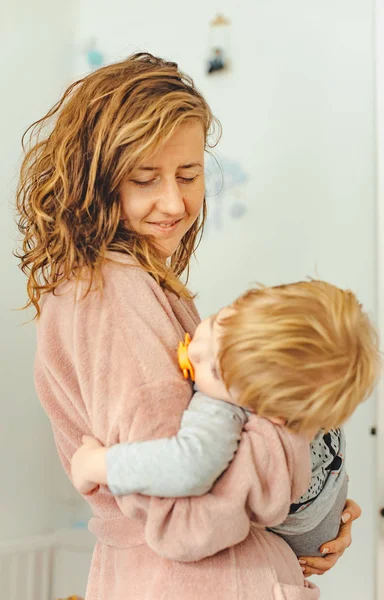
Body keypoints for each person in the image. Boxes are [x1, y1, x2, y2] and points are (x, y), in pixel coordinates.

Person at [15, 52, 361, 599]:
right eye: (145, 178)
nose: (174, 202)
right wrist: (291, 500)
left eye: (189, 174)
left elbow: (219, 447)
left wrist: (305, 513)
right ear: (95, 181)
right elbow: (181, 507)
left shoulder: (138, 284)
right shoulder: (112, 292)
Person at [71, 280, 379, 558]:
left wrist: (97, 464)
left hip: (310, 534)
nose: (195, 350)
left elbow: (189, 465)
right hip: (332, 490)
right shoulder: (291, 384)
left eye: (216, 371)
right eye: (218, 323)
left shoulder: (225, 406)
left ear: (272, 413)